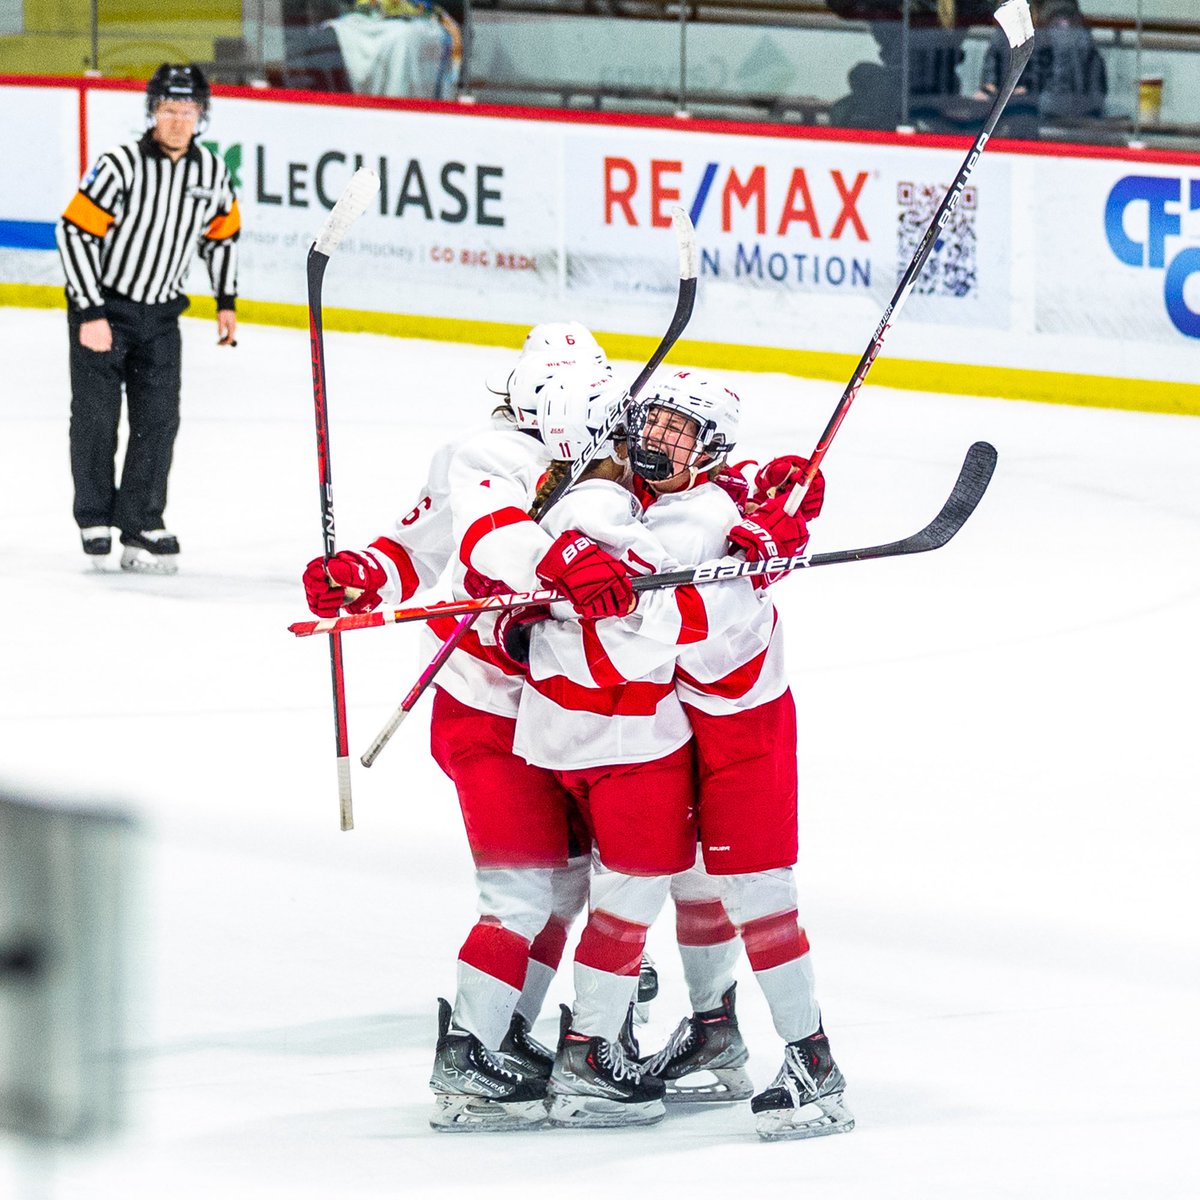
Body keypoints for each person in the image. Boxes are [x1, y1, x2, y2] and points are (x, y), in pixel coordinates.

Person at [301, 324, 634, 1132]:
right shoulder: (484, 456)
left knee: (568, 884)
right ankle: (469, 1054)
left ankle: (504, 1029)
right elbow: (444, 546)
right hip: (485, 710)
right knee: (520, 892)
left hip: (560, 715)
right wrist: (360, 576)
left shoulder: (611, 461)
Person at [624, 371, 854, 1141]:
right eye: (653, 421)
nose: (656, 438)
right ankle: (714, 1034)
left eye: (678, 430)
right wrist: (778, 491)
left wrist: (586, 598)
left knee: (758, 894)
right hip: (684, 721)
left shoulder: (706, 523)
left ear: (708, 448)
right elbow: (757, 484)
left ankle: (815, 1067)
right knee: (692, 880)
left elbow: (674, 623)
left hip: (745, 731)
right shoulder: (667, 496)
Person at [56, 63, 240, 573]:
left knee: (158, 420)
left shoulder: (212, 172)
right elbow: (74, 232)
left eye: (187, 110)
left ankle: (141, 520)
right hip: (104, 309)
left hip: (161, 316)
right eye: (168, 109)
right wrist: (90, 310)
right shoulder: (119, 165)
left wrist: (226, 300)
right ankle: (94, 517)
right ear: (153, 111)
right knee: (96, 417)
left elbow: (222, 236)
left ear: (201, 114)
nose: (178, 120)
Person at [978, 0, 1106, 135]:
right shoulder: (1004, 32)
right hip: (1025, 113)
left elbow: (1057, 86)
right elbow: (992, 71)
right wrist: (991, 89)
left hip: (1054, 116)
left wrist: (1028, 93)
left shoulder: (1057, 32)